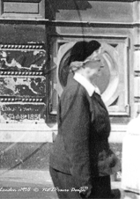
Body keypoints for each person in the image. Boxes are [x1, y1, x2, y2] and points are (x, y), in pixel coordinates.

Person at [49, 40, 119, 198]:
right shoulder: (77, 93)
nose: (101, 65)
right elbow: (76, 142)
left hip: (92, 169)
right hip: (74, 173)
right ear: (83, 65)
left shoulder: (89, 90)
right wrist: (83, 183)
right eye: (97, 60)